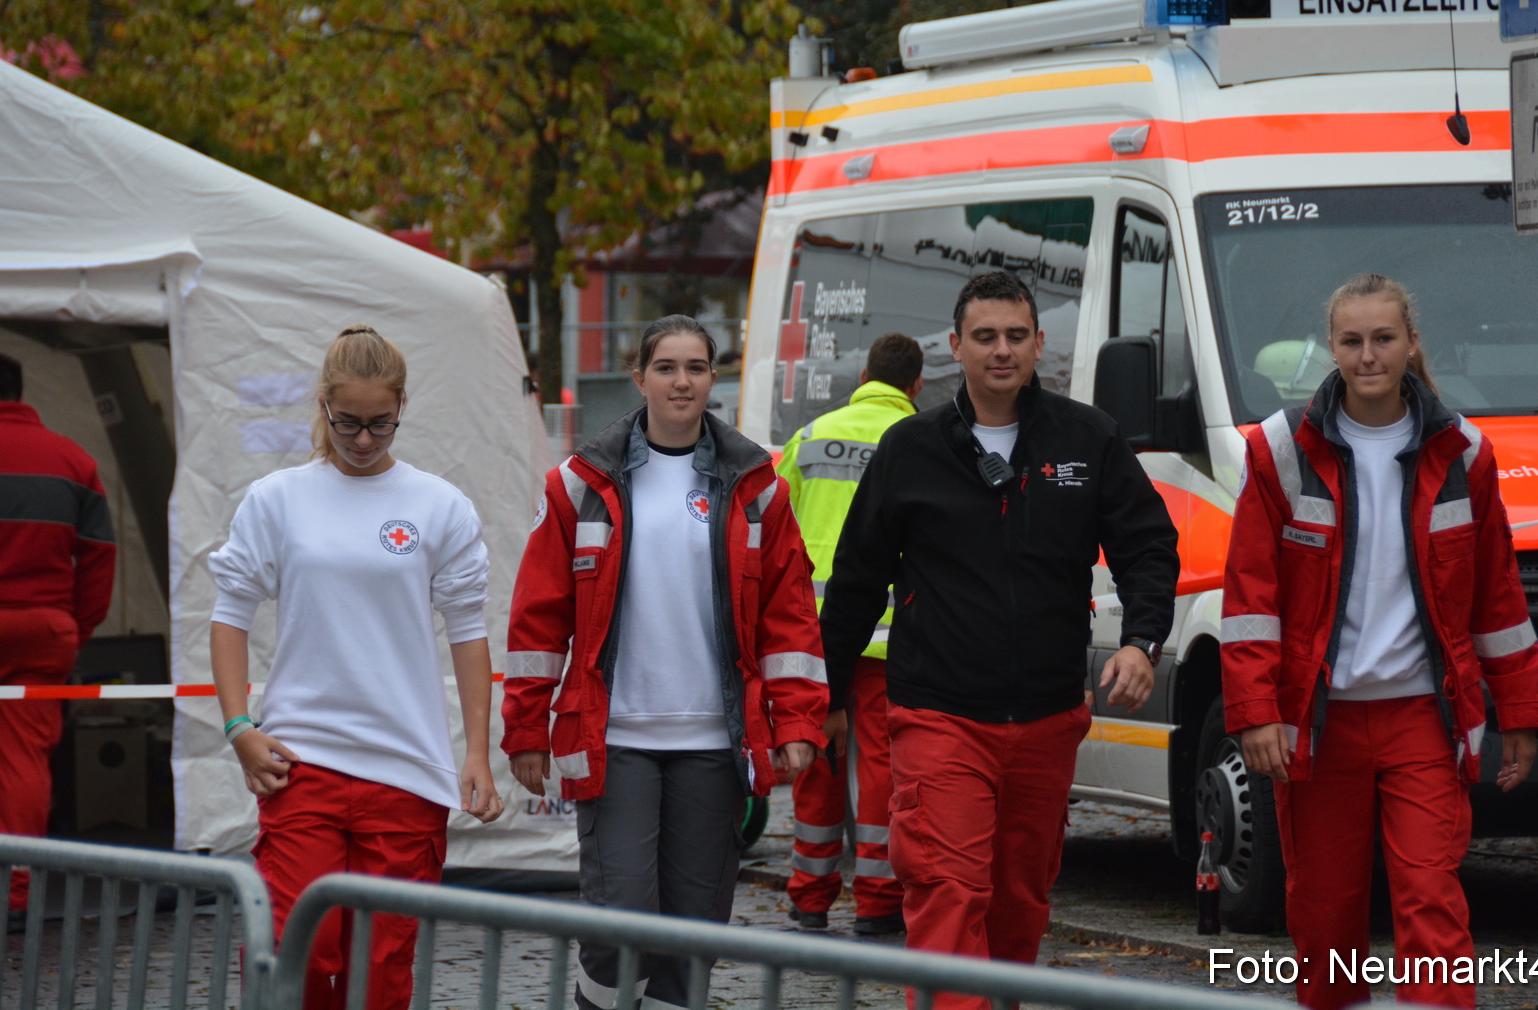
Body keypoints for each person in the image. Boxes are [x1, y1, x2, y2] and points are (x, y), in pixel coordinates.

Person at [819, 271, 1180, 1002]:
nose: (1002, 350)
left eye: (1017, 335)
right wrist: (826, 693)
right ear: (956, 347)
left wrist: (1141, 639)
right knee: (950, 895)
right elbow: (855, 579)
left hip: (1046, 719)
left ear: (1040, 345)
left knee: (1018, 908)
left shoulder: (1089, 438)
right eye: (985, 337)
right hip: (940, 716)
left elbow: (1149, 545)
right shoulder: (911, 449)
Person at [1221, 273, 1538, 1009]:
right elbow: (1251, 597)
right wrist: (1255, 711)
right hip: (1319, 721)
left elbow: (1496, 594)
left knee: (1432, 902)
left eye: (1384, 338)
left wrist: (1521, 708)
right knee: (1326, 919)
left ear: (1411, 344)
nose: (1368, 355)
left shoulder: (1463, 451)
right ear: (1330, 347)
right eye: (1352, 340)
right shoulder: (1279, 450)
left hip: (1422, 720)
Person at [503, 314, 826, 1010]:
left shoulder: (757, 485)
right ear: (640, 376)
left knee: (692, 929)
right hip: (615, 738)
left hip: (714, 741)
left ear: (715, 376)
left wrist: (798, 718)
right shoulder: (579, 483)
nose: (682, 381)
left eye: (697, 367)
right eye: (667, 367)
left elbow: (789, 613)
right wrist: (525, 727)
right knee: (619, 919)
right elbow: (539, 616)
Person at [209, 325, 502, 1010]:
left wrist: (478, 753)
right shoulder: (276, 497)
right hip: (300, 763)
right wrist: (238, 726)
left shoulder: (439, 505)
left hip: (407, 769)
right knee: (301, 957)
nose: (364, 439)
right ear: (322, 405)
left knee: (381, 974)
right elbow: (228, 615)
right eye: (348, 422)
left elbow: (468, 631)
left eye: (380, 422)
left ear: (401, 405)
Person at [776, 333, 923, 936]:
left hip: (813, 636)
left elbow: (775, 529)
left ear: (863, 373)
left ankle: (809, 895)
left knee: (816, 753)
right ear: (915, 386)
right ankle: (879, 900)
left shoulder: (808, 438)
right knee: (886, 766)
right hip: (891, 635)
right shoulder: (919, 441)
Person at [0, 351, 116, 928]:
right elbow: (99, 561)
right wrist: (73, 629)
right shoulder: (73, 459)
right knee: (23, 763)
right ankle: (17, 895)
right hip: (41, 631)